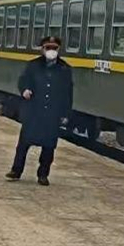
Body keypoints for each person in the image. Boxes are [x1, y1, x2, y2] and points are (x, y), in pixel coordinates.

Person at [5, 35, 73, 186]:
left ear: (59, 49)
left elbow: (68, 93)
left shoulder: (65, 69)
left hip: (52, 113)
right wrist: (25, 90)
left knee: (49, 146)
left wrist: (65, 114)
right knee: (23, 144)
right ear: (42, 49)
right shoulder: (33, 65)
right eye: (48, 48)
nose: (51, 51)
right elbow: (23, 80)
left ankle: (43, 174)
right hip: (34, 111)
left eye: (54, 48)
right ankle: (16, 170)